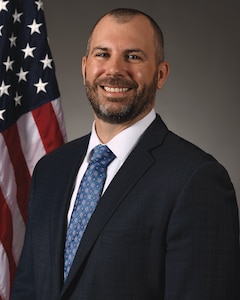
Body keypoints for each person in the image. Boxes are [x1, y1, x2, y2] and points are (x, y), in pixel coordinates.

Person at [11, 8, 240, 300]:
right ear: (85, 67)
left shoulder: (196, 179)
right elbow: (28, 289)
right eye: (102, 54)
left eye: (133, 56)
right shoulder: (50, 170)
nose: (114, 69)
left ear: (160, 74)